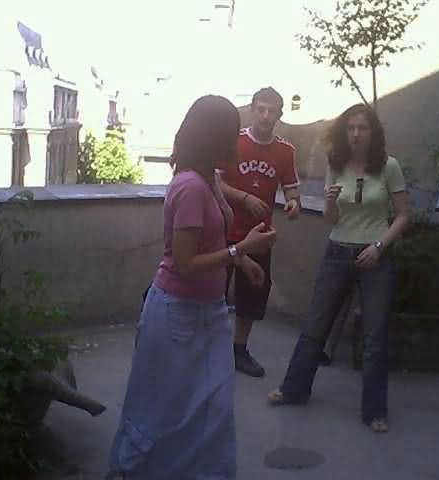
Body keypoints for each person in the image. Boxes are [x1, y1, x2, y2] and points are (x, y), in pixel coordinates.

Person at [107, 95, 277, 480]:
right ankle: (137, 470)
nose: (237, 140)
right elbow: (184, 264)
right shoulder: (190, 187)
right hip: (178, 314)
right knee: (165, 406)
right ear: (214, 136)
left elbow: (209, 242)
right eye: (231, 132)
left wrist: (242, 261)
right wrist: (242, 249)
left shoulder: (209, 180)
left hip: (208, 311)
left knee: (211, 407)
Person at [267, 103, 411, 434]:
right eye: (351, 128)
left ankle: (374, 411)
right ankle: (294, 389)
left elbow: (404, 215)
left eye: (363, 128)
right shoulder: (336, 165)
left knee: (374, 337)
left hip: (375, 256)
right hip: (337, 252)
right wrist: (330, 202)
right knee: (315, 326)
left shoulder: (388, 166)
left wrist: (379, 247)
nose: (356, 134)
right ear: (344, 132)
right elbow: (331, 220)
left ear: (373, 132)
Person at [219, 87, 301, 377]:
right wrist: (243, 198)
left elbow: (291, 191)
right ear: (252, 110)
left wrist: (292, 204)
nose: (266, 116)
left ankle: (239, 350)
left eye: (272, 111)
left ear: (280, 114)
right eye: (261, 109)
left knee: (252, 296)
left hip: (259, 235)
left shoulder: (286, 151)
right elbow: (215, 183)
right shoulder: (233, 141)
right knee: (213, 291)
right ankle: (209, 346)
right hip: (225, 231)